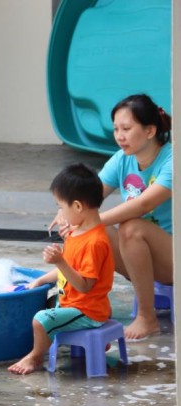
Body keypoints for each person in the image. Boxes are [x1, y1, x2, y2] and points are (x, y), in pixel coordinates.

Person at [51, 94, 172, 341]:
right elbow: (88, 196)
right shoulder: (122, 159)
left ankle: (148, 318)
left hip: (173, 256)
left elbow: (144, 203)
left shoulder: (173, 159)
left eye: (127, 128)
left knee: (129, 227)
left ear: (150, 131)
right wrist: (67, 213)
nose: (119, 135)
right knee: (98, 232)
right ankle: (84, 306)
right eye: (116, 128)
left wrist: (88, 221)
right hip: (140, 256)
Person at [8, 163, 115, 375]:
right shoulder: (77, 232)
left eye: (60, 207)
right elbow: (68, 272)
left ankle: (35, 357)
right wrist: (40, 281)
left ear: (77, 206)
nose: (60, 213)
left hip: (87, 310)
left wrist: (60, 261)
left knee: (41, 320)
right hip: (74, 302)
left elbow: (84, 285)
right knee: (45, 302)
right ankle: (95, 343)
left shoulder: (94, 242)